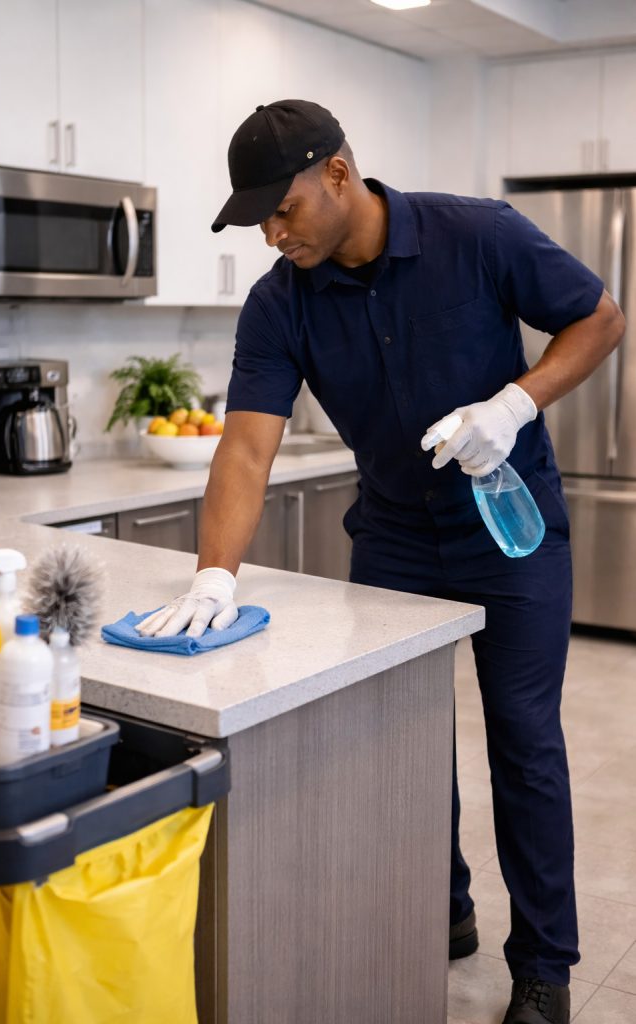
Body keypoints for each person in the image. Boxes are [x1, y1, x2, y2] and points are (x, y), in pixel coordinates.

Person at [137, 100, 625, 1024]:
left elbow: (598, 319)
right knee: (403, 739)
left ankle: (544, 966)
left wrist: (514, 406)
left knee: (523, 743)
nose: (274, 236)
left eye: (281, 211)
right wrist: (214, 574)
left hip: (507, 531)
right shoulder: (280, 301)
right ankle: (439, 913)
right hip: (396, 537)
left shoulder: (477, 235)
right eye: (258, 224)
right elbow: (245, 450)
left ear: (336, 174)